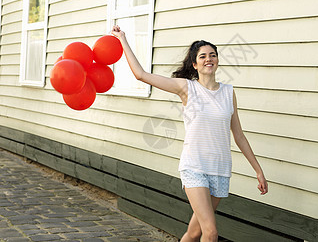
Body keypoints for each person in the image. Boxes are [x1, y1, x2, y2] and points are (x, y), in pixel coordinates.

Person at [111, 25, 268, 242]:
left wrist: (258, 170)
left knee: (194, 233)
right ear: (195, 64)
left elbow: (239, 135)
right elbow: (141, 75)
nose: (208, 59)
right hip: (194, 167)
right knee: (210, 232)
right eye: (202, 56)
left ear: (217, 60)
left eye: (212, 55)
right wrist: (122, 38)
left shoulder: (229, 93)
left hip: (220, 169)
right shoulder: (187, 88)